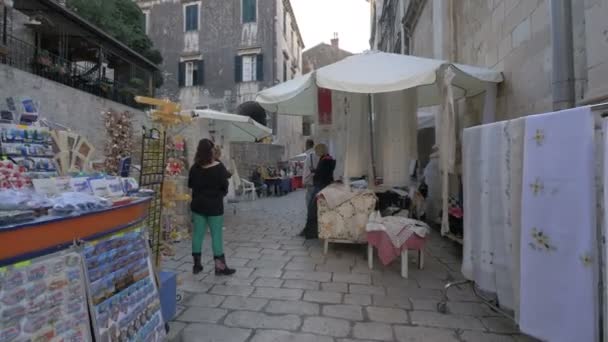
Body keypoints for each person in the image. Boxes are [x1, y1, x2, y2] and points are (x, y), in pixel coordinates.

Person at [188, 139, 235, 276]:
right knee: (216, 236)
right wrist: (218, 194)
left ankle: (197, 265)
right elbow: (224, 187)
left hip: (198, 205)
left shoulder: (194, 168)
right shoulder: (219, 167)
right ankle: (220, 267)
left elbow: (190, 185)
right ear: (211, 151)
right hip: (214, 206)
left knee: (197, 234)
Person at [300, 143, 336, 239]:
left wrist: (314, 174)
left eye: (317, 151)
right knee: (315, 210)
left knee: (312, 210)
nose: (315, 153)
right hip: (322, 186)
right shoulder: (328, 159)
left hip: (319, 187)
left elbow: (320, 175)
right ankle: (311, 231)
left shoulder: (325, 160)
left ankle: (311, 232)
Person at [302, 139, 316, 205]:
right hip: (317, 182)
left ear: (307, 145)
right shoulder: (316, 154)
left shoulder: (309, 156)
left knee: (309, 203)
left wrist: (304, 182)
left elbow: (306, 171)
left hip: (311, 183)